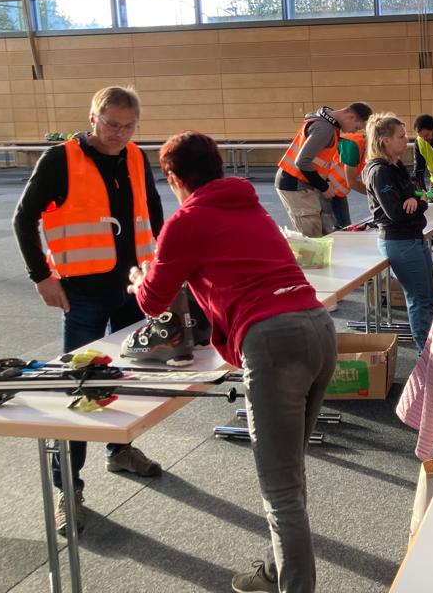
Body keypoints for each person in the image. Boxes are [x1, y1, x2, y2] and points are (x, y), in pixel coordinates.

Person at [128, 132, 335, 593]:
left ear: (173, 178)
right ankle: (274, 572)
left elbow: (153, 301)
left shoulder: (185, 220)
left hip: (273, 342)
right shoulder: (251, 206)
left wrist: (140, 277)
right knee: (289, 471)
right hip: (318, 327)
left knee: (280, 490)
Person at [12, 86, 165, 536]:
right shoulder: (60, 160)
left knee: (128, 377)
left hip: (133, 286)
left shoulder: (136, 156)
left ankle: (119, 451)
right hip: (83, 292)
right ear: (93, 118)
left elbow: (153, 212)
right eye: (112, 124)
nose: (120, 134)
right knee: (80, 386)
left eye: (129, 126)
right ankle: (69, 487)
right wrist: (41, 276)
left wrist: (162, 267)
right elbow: (23, 218)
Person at [363, 114, 433, 353]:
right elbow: (396, 212)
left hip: (414, 237)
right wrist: (420, 203)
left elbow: (415, 194)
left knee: (427, 295)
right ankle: (426, 352)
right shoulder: (379, 171)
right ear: (386, 141)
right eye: (401, 136)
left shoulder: (396, 166)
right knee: (419, 299)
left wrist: (417, 200)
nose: (407, 140)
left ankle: (432, 346)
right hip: (400, 242)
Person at [275, 102, 372, 237]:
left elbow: (315, 161)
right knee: (311, 236)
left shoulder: (328, 124)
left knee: (321, 231)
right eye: (357, 127)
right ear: (351, 117)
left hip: (301, 183)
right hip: (295, 184)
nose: (354, 132)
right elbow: (302, 161)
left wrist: (324, 182)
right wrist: (324, 187)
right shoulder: (325, 128)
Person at [327, 130, 367, 230]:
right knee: (326, 230)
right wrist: (377, 194)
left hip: (338, 192)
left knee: (345, 229)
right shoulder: (352, 144)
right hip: (323, 188)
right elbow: (352, 182)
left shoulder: (363, 148)